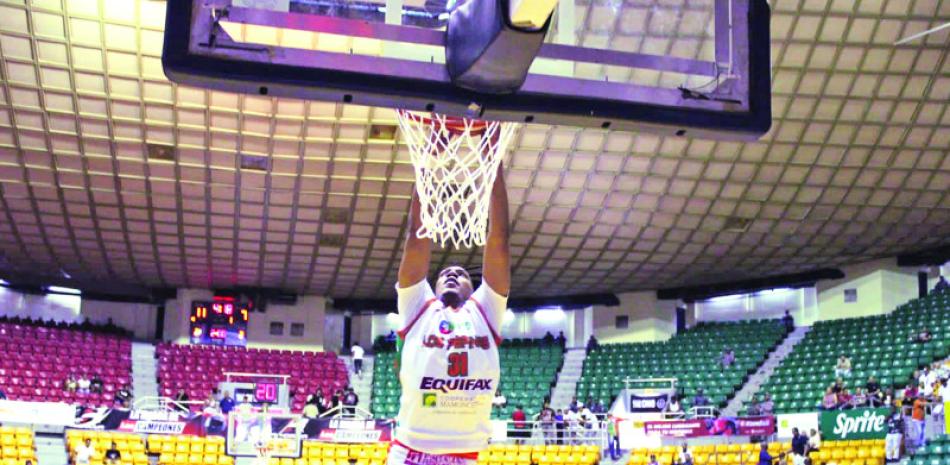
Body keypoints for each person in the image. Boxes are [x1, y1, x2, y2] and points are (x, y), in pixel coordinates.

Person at [387, 163, 510, 465]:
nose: (453, 274)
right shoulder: (419, 306)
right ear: (433, 285)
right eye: (446, 273)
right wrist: (427, 169)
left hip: (465, 454)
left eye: (462, 274)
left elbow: (499, 241)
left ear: (475, 288)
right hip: (411, 451)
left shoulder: (486, 311)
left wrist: (492, 166)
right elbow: (416, 240)